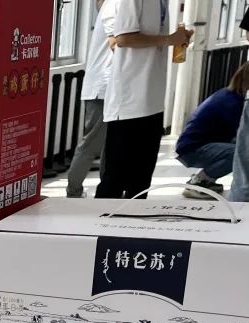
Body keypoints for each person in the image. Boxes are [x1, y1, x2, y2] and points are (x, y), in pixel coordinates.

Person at [95, 0, 193, 199]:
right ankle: (103, 219)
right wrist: (169, 39)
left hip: (153, 99)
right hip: (129, 101)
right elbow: (122, 39)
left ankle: (133, 218)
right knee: (115, 178)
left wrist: (176, 39)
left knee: (141, 180)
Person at [65, 0, 116, 198]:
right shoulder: (113, 9)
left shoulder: (108, 9)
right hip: (103, 88)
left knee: (108, 145)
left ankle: (106, 190)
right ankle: (73, 191)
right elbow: (118, 45)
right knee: (92, 144)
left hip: (106, 87)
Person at [175, 63, 249, 198]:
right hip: (192, 149)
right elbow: (243, 138)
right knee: (239, 152)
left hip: (195, 145)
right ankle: (199, 182)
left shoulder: (231, 95)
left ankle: (203, 180)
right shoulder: (232, 103)